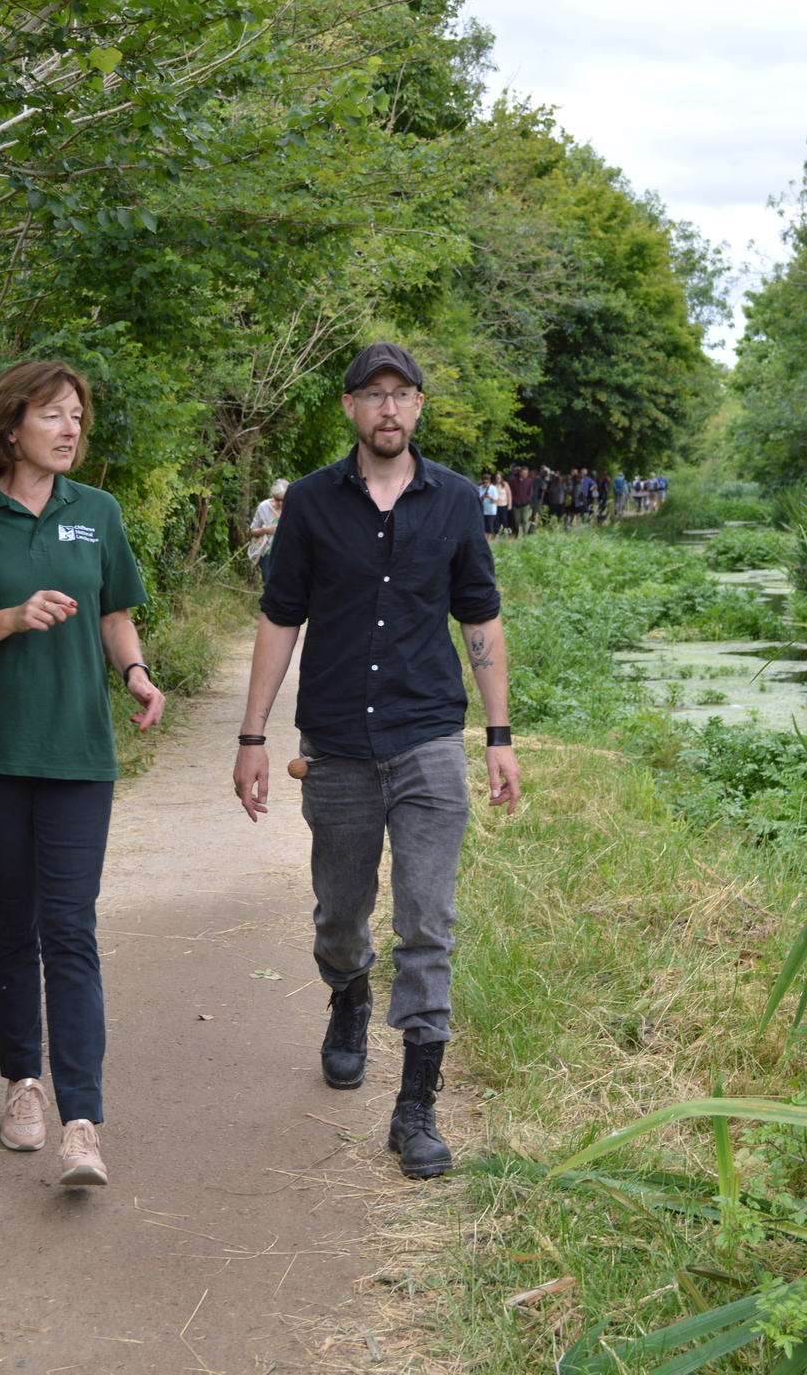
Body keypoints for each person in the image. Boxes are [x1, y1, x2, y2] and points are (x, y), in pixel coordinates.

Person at [232, 342, 520, 1180]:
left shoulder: (458, 501)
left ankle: (415, 1106)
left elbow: (481, 621)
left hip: (428, 737)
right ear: (350, 407)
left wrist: (499, 739)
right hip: (338, 746)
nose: (388, 409)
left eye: (402, 395)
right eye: (372, 395)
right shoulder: (313, 504)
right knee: (341, 913)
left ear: (420, 407)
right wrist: (253, 735)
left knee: (428, 922)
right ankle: (349, 993)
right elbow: (280, 618)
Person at [0, 360, 165, 1189]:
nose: (69, 430)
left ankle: (82, 1123)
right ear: (11, 425)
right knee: (12, 923)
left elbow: (114, 614)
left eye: (77, 418)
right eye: (53, 415)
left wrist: (134, 673)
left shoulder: (98, 514)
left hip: (79, 755)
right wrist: (15, 617)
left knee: (72, 930)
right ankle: (22, 1085)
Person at [249, 479, 289, 585]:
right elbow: (253, 530)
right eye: (277, 499)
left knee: (286, 584)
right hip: (267, 554)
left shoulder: (292, 506)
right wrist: (265, 530)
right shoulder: (263, 507)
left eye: (282, 500)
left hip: (288, 553)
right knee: (269, 584)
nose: (280, 503)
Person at [509, 466, 533, 538]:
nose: (526, 474)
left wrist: (527, 500)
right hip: (516, 505)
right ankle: (517, 533)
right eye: (524, 473)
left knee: (525, 520)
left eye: (527, 473)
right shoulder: (514, 481)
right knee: (517, 520)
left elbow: (530, 492)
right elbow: (512, 492)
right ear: (520, 473)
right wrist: (514, 500)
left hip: (525, 504)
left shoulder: (529, 481)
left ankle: (525, 535)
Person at [477, 472, 499, 539]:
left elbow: (495, 500)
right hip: (482, 510)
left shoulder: (493, 488)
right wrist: (483, 497)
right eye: (484, 482)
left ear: (489, 481)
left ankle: (488, 541)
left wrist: (490, 497)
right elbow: (477, 500)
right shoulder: (479, 488)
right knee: (482, 526)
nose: (485, 484)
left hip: (490, 511)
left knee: (489, 526)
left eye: (487, 482)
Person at [494, 470, 512, 537]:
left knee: (504, 519)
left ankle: (505, 531)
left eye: (499, 478)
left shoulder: (505, 484)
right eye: (497, 478)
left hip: (503, 504)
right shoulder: (493, 485)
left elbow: (509, 494)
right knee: (496, 519)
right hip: (495, 504)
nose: (498, 479)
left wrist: (509, 504)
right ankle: (497, 533)